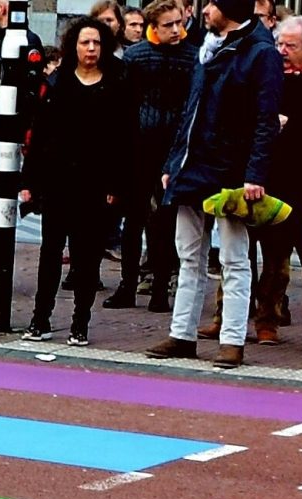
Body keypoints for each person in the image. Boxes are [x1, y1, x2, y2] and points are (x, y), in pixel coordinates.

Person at [148, 0, 280, 368]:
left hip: (229, 169)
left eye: (212, 4)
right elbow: (190, 111)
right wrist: (174, 162)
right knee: (189, 253)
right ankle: (182, 333)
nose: (205, 10)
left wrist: (255, 175)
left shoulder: (259, 52)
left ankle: (232, 339)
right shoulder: (213, 47)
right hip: (195, 165)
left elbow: (265, 118)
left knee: (234, 256)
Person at [20, 14, 130, 342]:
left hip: (95, 185)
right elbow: (39, 136)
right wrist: (29, 182)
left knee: (86, 257)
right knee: (50, 253)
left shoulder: (116, 84)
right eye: (85, 42)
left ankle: (80, 323)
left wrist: (116, 185)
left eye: (97, 42)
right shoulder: (58, 83)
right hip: (57, 182)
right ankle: (40, 319)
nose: (91, 48)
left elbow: (124, 140)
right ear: (74, 46)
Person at [107, 0, 192, 309]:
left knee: (166, 221)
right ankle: (127, 285)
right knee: (134, 219)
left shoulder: (191, 56)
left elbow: (189, 106)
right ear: (153, 28)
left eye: (178, 22)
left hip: (173, 148)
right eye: (168, 24)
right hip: (139, 147)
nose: (175, 29)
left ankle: (159, 289)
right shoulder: (136, 56)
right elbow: (124, 104)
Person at [250, 12, 302, 340]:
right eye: (279, 43)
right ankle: (227, 314)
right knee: (238, 249)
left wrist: (288, 124)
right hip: (259, 171)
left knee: (278, 255)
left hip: (293, 176)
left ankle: (269, 317)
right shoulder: (267, 74)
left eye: (290, 45)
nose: (281, 50)